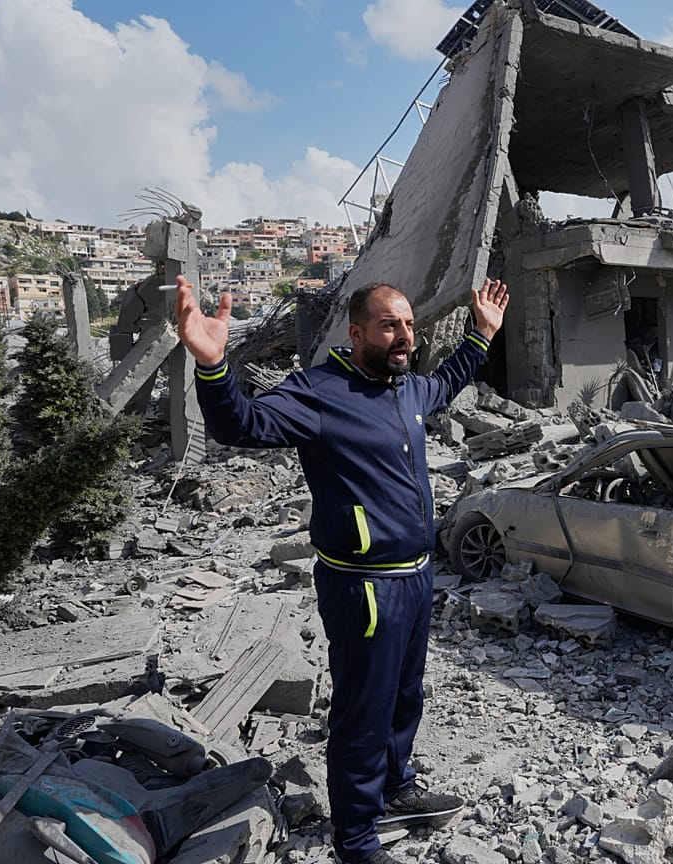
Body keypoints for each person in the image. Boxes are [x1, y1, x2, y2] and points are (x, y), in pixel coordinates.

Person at [174, 275, 509, 864]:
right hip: (364, 588)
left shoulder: (404, 389)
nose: (404, 336)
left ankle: (397, 788)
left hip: (417, 576)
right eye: (389, 325)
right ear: (356, 332)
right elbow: (241, 425)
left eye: (408, 324)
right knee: (364, 710)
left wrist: (482, 335)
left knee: (405, 696)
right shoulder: (317, 392)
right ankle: (356, 841)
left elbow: (448, 382)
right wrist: (214, 367)